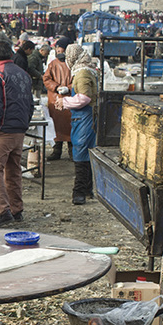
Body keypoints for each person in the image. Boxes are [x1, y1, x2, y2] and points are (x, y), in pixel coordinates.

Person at [0, 41, 33, 227]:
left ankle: (2, 211)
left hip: (1, 131)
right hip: (19, 130)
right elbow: (30, 105)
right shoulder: (24, 74)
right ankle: (16, 209)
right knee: (13, 170)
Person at [57, 43, 98, 205]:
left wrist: (64, 102)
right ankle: (87, 189)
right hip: (85, 118)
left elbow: (84, 98)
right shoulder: (87, 70)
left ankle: (79, 192)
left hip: (84, 119)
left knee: (80, 154)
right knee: (86, 154)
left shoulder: (82, 74)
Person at [43, 37, 73, 161]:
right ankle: (57, 151)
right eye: (58, 49)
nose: (59, 52)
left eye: (61, 49)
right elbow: (46, 79)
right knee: (57, 127)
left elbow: (79, 81)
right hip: (55, 100)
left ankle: (72, 152)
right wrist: (56, 87)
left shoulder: (73, 65)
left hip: (70, 101)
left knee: (71, 127)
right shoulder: (52, 64)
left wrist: (69, 88)